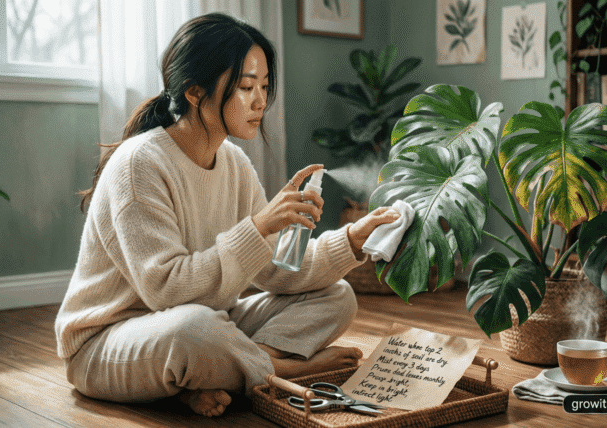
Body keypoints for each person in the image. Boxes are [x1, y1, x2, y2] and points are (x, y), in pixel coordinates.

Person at [54, 13, 400, 418]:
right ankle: (277, 371)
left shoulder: (233, 163)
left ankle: (219, 376)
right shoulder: (139, 165)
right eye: (246, 87)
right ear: (195, 93)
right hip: (106, 342)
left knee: (337, 296)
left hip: (205, 318)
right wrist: (259, 226)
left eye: (265, 86)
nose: (260, 101)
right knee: (195, 330)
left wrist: (352, 240)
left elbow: (276, 272)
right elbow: (165, 291)